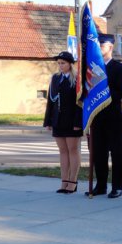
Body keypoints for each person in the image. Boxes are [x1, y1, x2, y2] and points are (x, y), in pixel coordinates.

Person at [85, 34, 122, 198]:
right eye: (97, 45)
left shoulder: (118, 67)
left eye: (101, 46)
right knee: (98, 153)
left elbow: (119, 91)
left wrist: (102, 96)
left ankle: (117, 186)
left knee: (116, 153)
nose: (99, 48)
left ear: (110, 47)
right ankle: (100, 185)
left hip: (113, 116)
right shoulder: (93, 67)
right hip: (96, 116)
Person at [43, 51, 83, 194]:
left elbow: (80, 103)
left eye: (63, 63)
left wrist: (78, 122)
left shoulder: (77, 79)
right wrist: (48, 120)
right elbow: (51, 101)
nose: (60, 66)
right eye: (59, 63)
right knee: (62, 151)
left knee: (73, 150)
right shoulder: (55, 78)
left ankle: (73, 181)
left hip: (72, 121)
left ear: (70, 64)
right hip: (58, 120)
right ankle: (64, 181)